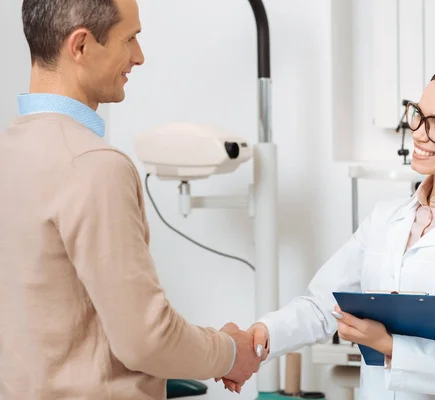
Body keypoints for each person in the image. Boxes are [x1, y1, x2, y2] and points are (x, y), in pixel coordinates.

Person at [225, 59, 435, 399]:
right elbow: (322, 305)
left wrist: (389, 346)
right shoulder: (386, 219)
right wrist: (261, 335)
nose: (418, 133)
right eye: (418, 115)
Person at [0, 0, 259, 398]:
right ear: (81, 46)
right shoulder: (93, 165)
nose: (138, 56)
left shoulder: (10, 152)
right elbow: (148, 340)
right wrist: (230, 352)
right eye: (130, 38)